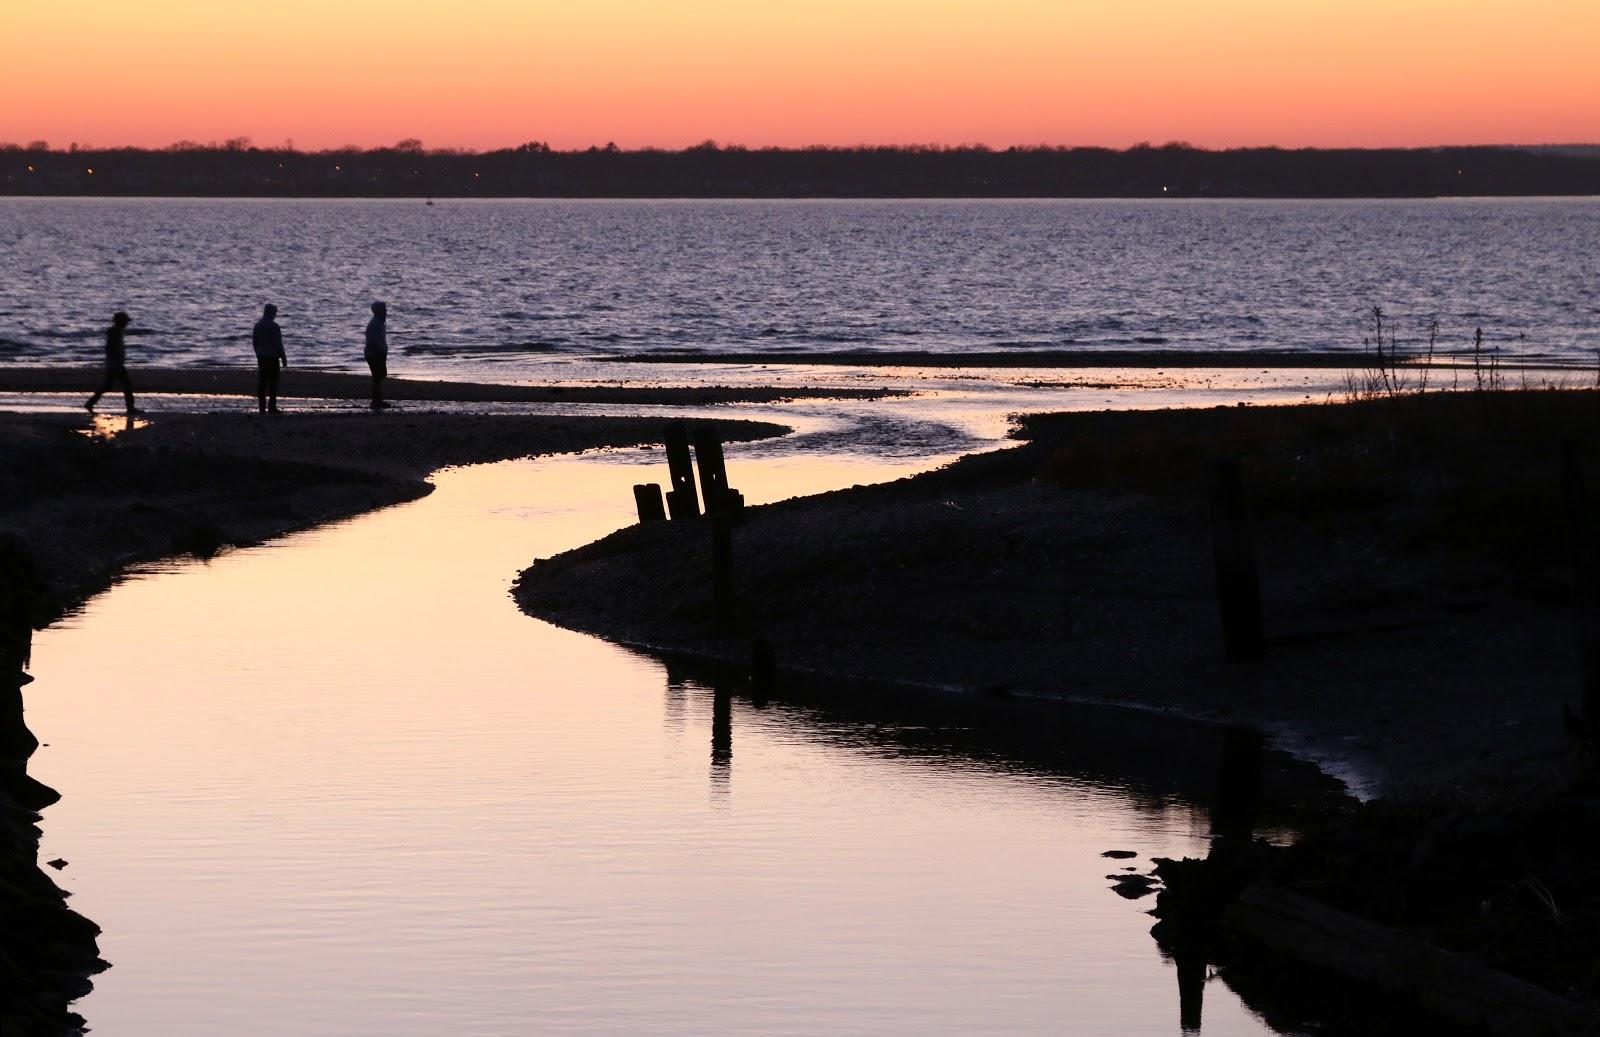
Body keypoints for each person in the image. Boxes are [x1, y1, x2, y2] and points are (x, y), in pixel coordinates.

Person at [85, 311, 140, 414]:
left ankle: (90, 403)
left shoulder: (116, 331)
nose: (127, 324)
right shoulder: (115, 332)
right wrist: (116, 357)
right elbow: (110, 347)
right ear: (121, 322)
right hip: (115, 364)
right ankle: (130, 408)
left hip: (114, 363)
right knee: (127, 385)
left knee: (108, 386)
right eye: (125, 321)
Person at [252, 303, 288, 414]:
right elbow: (278, 343)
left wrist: (257, 353)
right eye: (275, 313)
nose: (275, 315)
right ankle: (272, 407)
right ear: (271, 313)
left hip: (262, 356)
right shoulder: (274, 326)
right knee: (273, 383)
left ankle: (262, 407)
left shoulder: (257, 325)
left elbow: (255, 342)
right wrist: (283, 357)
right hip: (272, 357)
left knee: (262, 382)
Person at [364, 301, 389, 409]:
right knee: (378, 376)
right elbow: (375, 341)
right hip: (374, 354)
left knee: (380, 375)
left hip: (377, 353)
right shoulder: (375, 323)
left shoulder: (378, 322)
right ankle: (376, 400)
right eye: (384, 310)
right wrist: (381, 351)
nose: (386, 312)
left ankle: (377, 399)